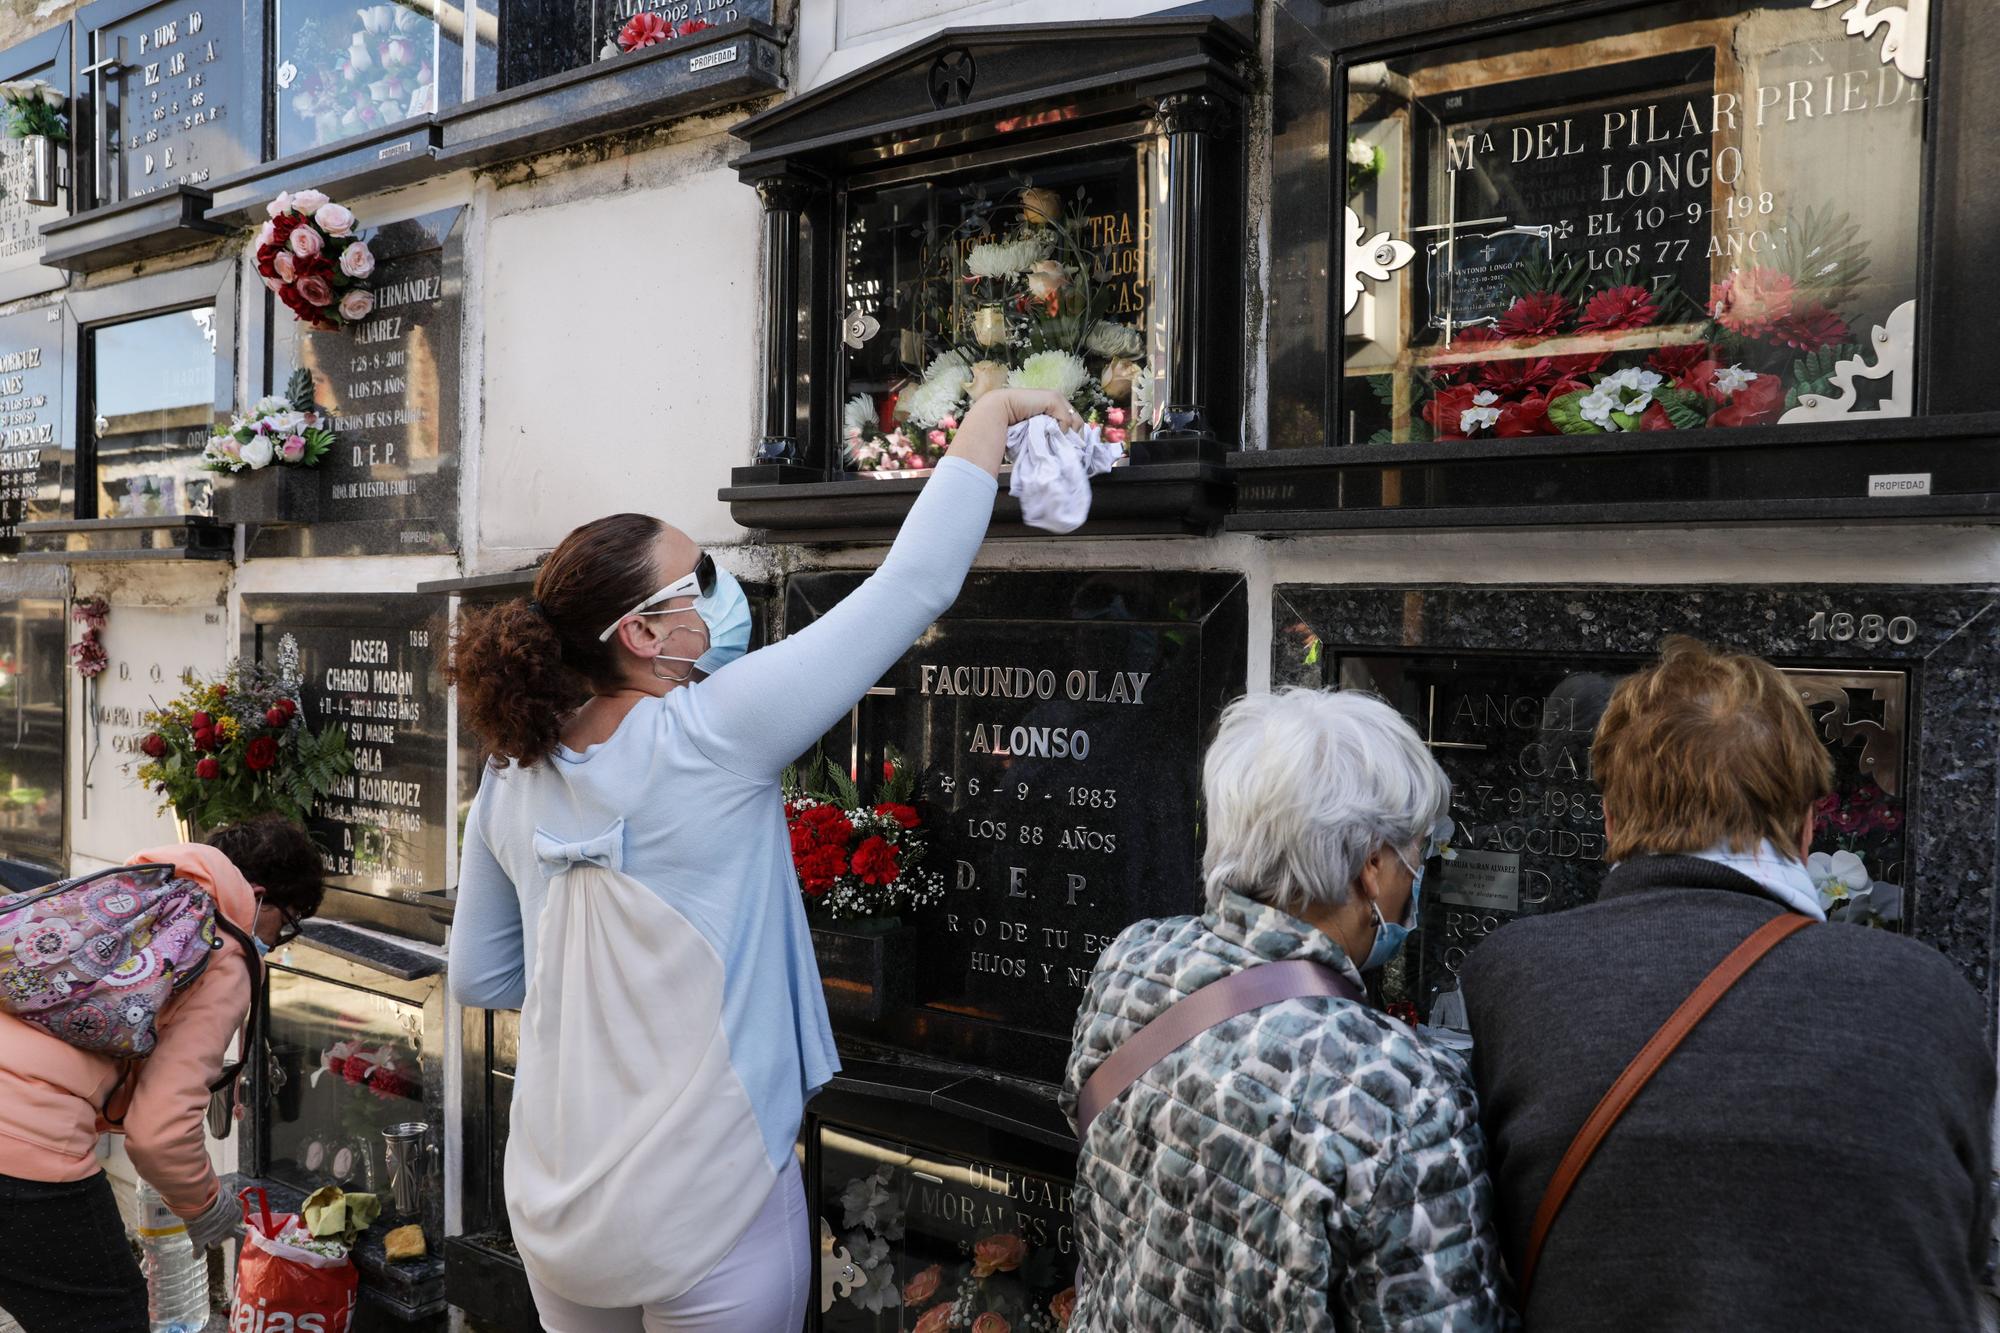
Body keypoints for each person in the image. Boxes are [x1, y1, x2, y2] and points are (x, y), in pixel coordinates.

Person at [445, 387, 1081, 1333]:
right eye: (698, 576)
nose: (719, 591)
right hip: (712, 1202)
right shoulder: (710, 733)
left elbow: (482, 972)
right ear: (642, 631)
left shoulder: (512, 767)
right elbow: (914, 586)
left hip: (556, 1208)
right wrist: (989, 414)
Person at [1463, 637, 1995, 1331]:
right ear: (1808, 827)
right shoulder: (1929, 992)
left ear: (1612, 821)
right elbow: (1969, 1239)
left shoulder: (1507, 974)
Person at [1061, 688, 1513, 1332]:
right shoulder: (1403, 1090)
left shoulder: (1131, 964)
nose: (1421, 872)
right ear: (1373, 869)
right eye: (1420, 851)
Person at [0, 813, 325, 1332]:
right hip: (28, 1166)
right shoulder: (226, 947)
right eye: (284, 924)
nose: (275, 941)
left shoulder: (123, 895)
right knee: (111, 1318)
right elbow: (159, 1131)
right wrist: (205, 1206)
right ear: (257, 895)